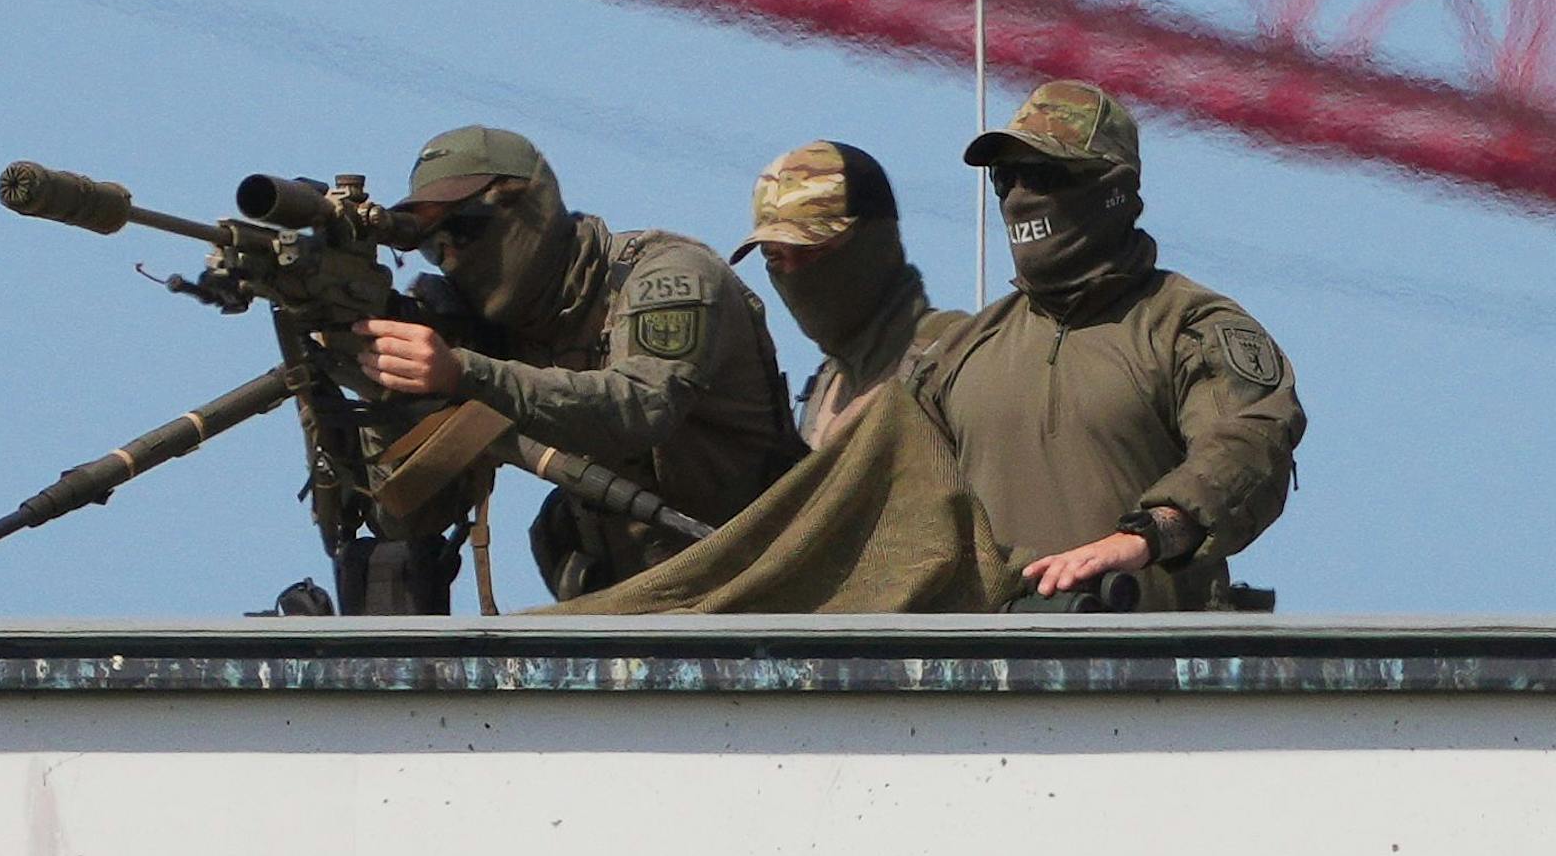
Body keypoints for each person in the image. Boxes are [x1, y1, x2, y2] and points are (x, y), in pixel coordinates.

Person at [352, 126, 804, 599]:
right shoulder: (493, 333)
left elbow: (640, 406)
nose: (451, 259)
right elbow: (408, 518)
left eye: (464, 229)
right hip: (639, 604)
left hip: (767, 580)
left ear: (532, 208)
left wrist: (465, 373)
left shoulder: (668, 276)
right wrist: (386, 393)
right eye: (434, 246)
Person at [905, 81, 1305, 608]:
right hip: (993, 656)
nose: (1020, 196)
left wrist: (1147, 537)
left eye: (1043, 175)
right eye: (1005, 178)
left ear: (1112, 189)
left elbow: (1249, 445)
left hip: (1152, 654)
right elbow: (896, 511)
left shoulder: (1187, 328)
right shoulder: (958, 355)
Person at [730, 140, 963, 448]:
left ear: (875, 243)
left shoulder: (954, 360)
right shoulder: (823, 386)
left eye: (813, 250)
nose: (794, 273)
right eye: (774, 257)